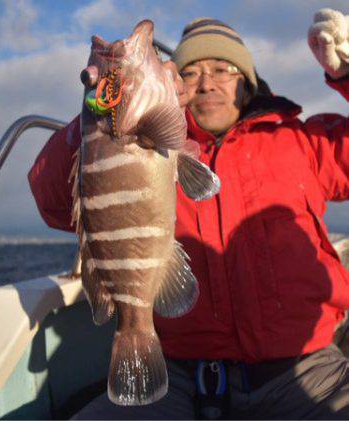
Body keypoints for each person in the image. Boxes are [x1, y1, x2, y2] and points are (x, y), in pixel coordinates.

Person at [28, 9, 349, 420]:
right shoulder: (150, 142)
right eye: (191, 71)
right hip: (178, 376)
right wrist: (99, 113)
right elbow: (51, 199)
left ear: (246, 82)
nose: (207, 83)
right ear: (173, 83)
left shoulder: (300, 140)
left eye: (223, 69)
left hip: (308, 371)